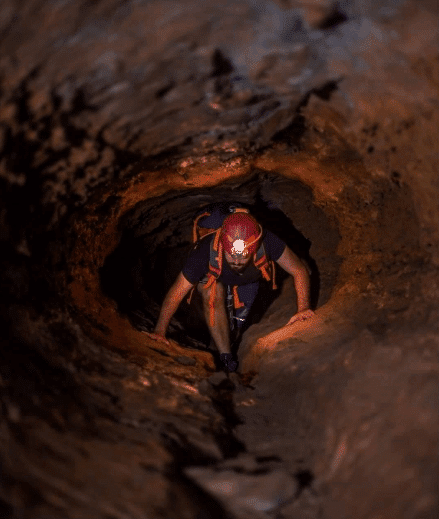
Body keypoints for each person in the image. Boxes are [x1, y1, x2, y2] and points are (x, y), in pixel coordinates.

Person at [144, 208, 314, 372]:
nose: (238, 261)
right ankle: (226, 357)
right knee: (212, 293)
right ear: (223, 245)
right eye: (232, 255)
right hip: (214, 276)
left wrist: (303, 308)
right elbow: (178, 291)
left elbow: (299, 269)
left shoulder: (267, 241)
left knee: (237, 325)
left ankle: (224, 343)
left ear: (254, 247)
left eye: (244, 255)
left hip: (249, 281)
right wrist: (160, 330)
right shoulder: (205, 251)